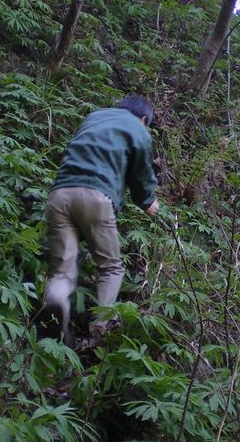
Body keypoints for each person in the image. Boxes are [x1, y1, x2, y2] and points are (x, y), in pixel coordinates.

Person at [39, 95, 159, 344]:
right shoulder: (138, 129)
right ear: (144, 119)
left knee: (62, 271)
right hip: (97, 198)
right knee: (111, 267)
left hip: (60, 194)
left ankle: (57, 299)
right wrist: (148, 202)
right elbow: (141, 175)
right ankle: (100, 328)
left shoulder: (94, 117)